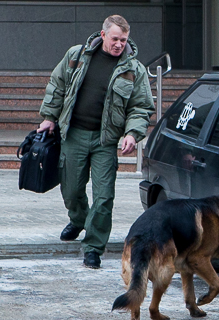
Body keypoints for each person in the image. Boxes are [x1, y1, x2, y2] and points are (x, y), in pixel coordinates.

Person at [38, 15, 154, 269]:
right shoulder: (76, 56)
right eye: (114, 39)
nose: (119, 44)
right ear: (103, 35)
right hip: (74, 134)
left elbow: (141, 107)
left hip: (106, 141)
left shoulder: (134, 70)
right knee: (71, 190)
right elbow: (57, 85)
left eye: (123, 40)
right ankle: (78, 219)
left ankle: (93, 248)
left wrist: (133, 134)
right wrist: (49, 117)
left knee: (103, 197)